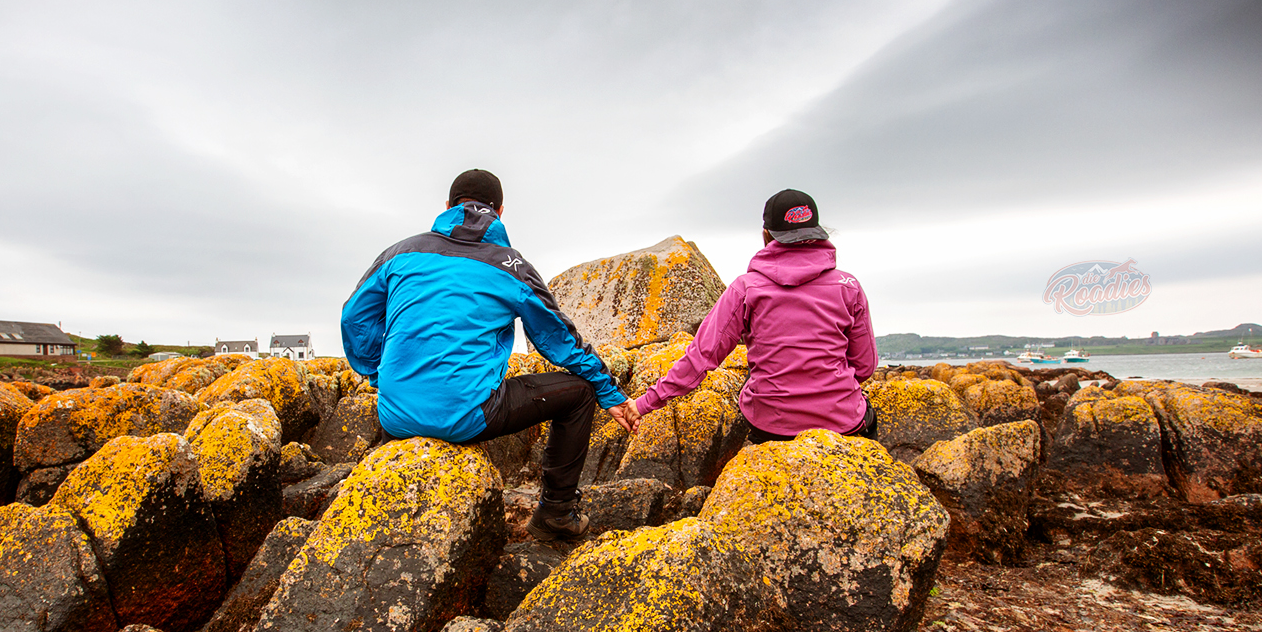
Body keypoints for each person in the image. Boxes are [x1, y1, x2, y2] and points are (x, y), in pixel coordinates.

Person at [341, 169, 639, 540]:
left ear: (447, 207)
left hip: (394, 414)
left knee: (410, 397)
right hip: (468, 417)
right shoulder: (510, 266)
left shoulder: (399, 253)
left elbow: (354, 317)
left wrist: (377, 375)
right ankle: (555, 514)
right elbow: (558, 339)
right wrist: (608, 391)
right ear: (500, 211)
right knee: (579, 393)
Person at [633, 189, 877, 443]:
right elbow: (865, 366)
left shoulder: (746, 289)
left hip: (772, 427)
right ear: (817, 233)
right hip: (842, 424)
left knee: (752, 381)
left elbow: (701, 358)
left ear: (766, 235)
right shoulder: (849, 286)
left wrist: (642, 405)